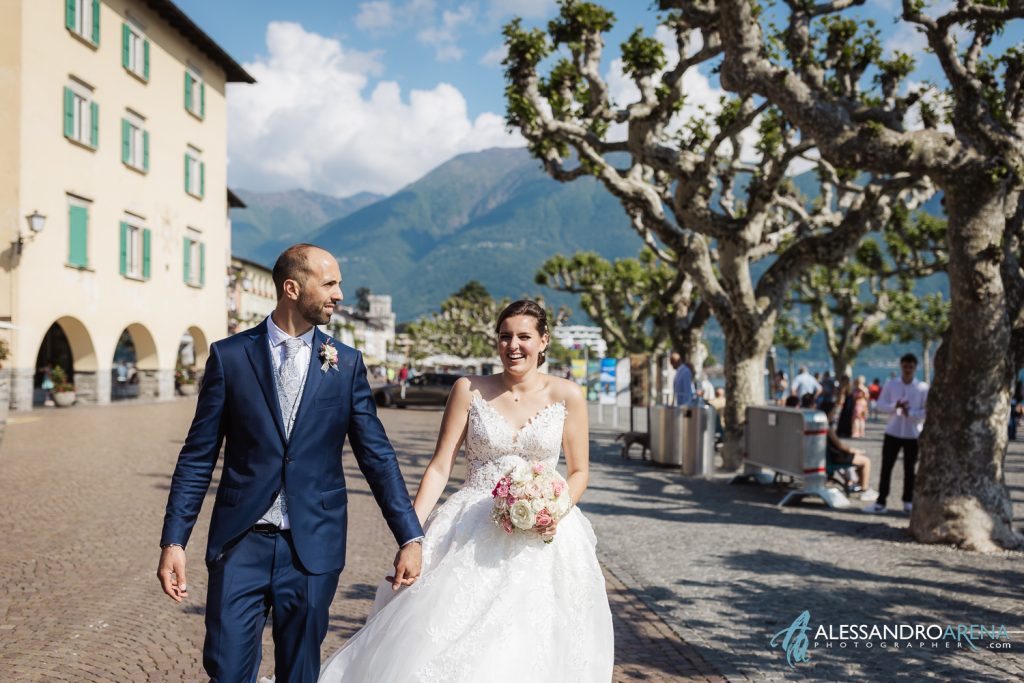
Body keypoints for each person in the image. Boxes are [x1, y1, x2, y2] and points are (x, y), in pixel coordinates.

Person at [157, 244, 424, 682]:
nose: (340, 294)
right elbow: (197, 456)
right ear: (292, 288)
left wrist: (409, 535)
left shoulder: (347, 364)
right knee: (225, 670)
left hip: (313, 546)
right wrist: (174, 540)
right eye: (330, 283)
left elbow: (376, 455)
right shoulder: (229, 357)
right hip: (241, 542)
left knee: (299, 672)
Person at [318, 300, 613, 681]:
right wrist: (412, 537)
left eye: (524, 336)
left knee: (532, 639)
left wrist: (552, 510)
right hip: (469, 526)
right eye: (505, 337)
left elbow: (579, 471)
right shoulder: (468, 389)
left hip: (545, 535)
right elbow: (441, 467)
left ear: (544, 341)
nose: (513, 346)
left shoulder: (569, 395)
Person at [863, 353, 928, 514]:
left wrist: (910, 412)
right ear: (901, 366)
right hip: (892, 431)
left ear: (915, 368)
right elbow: (880, 405)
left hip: (912, 434)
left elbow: (926, 412)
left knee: (910, 469)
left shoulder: (922, 388)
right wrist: (894, 406)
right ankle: (881, 501)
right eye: (905, 366)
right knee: (886, 467)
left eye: (911, 367)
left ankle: (908, 501)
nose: (907, 370)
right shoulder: (891, 385)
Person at [821, 400, 878, 501]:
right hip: (836, 457)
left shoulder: (820, 425)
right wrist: (854, 450)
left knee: (860, 460)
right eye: (833, 412)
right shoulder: (827, 428)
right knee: (866, 461)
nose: (834, 415)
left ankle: (859, 485)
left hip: (830, 456)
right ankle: (865, 490)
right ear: (828, 413)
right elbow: (840, 446)